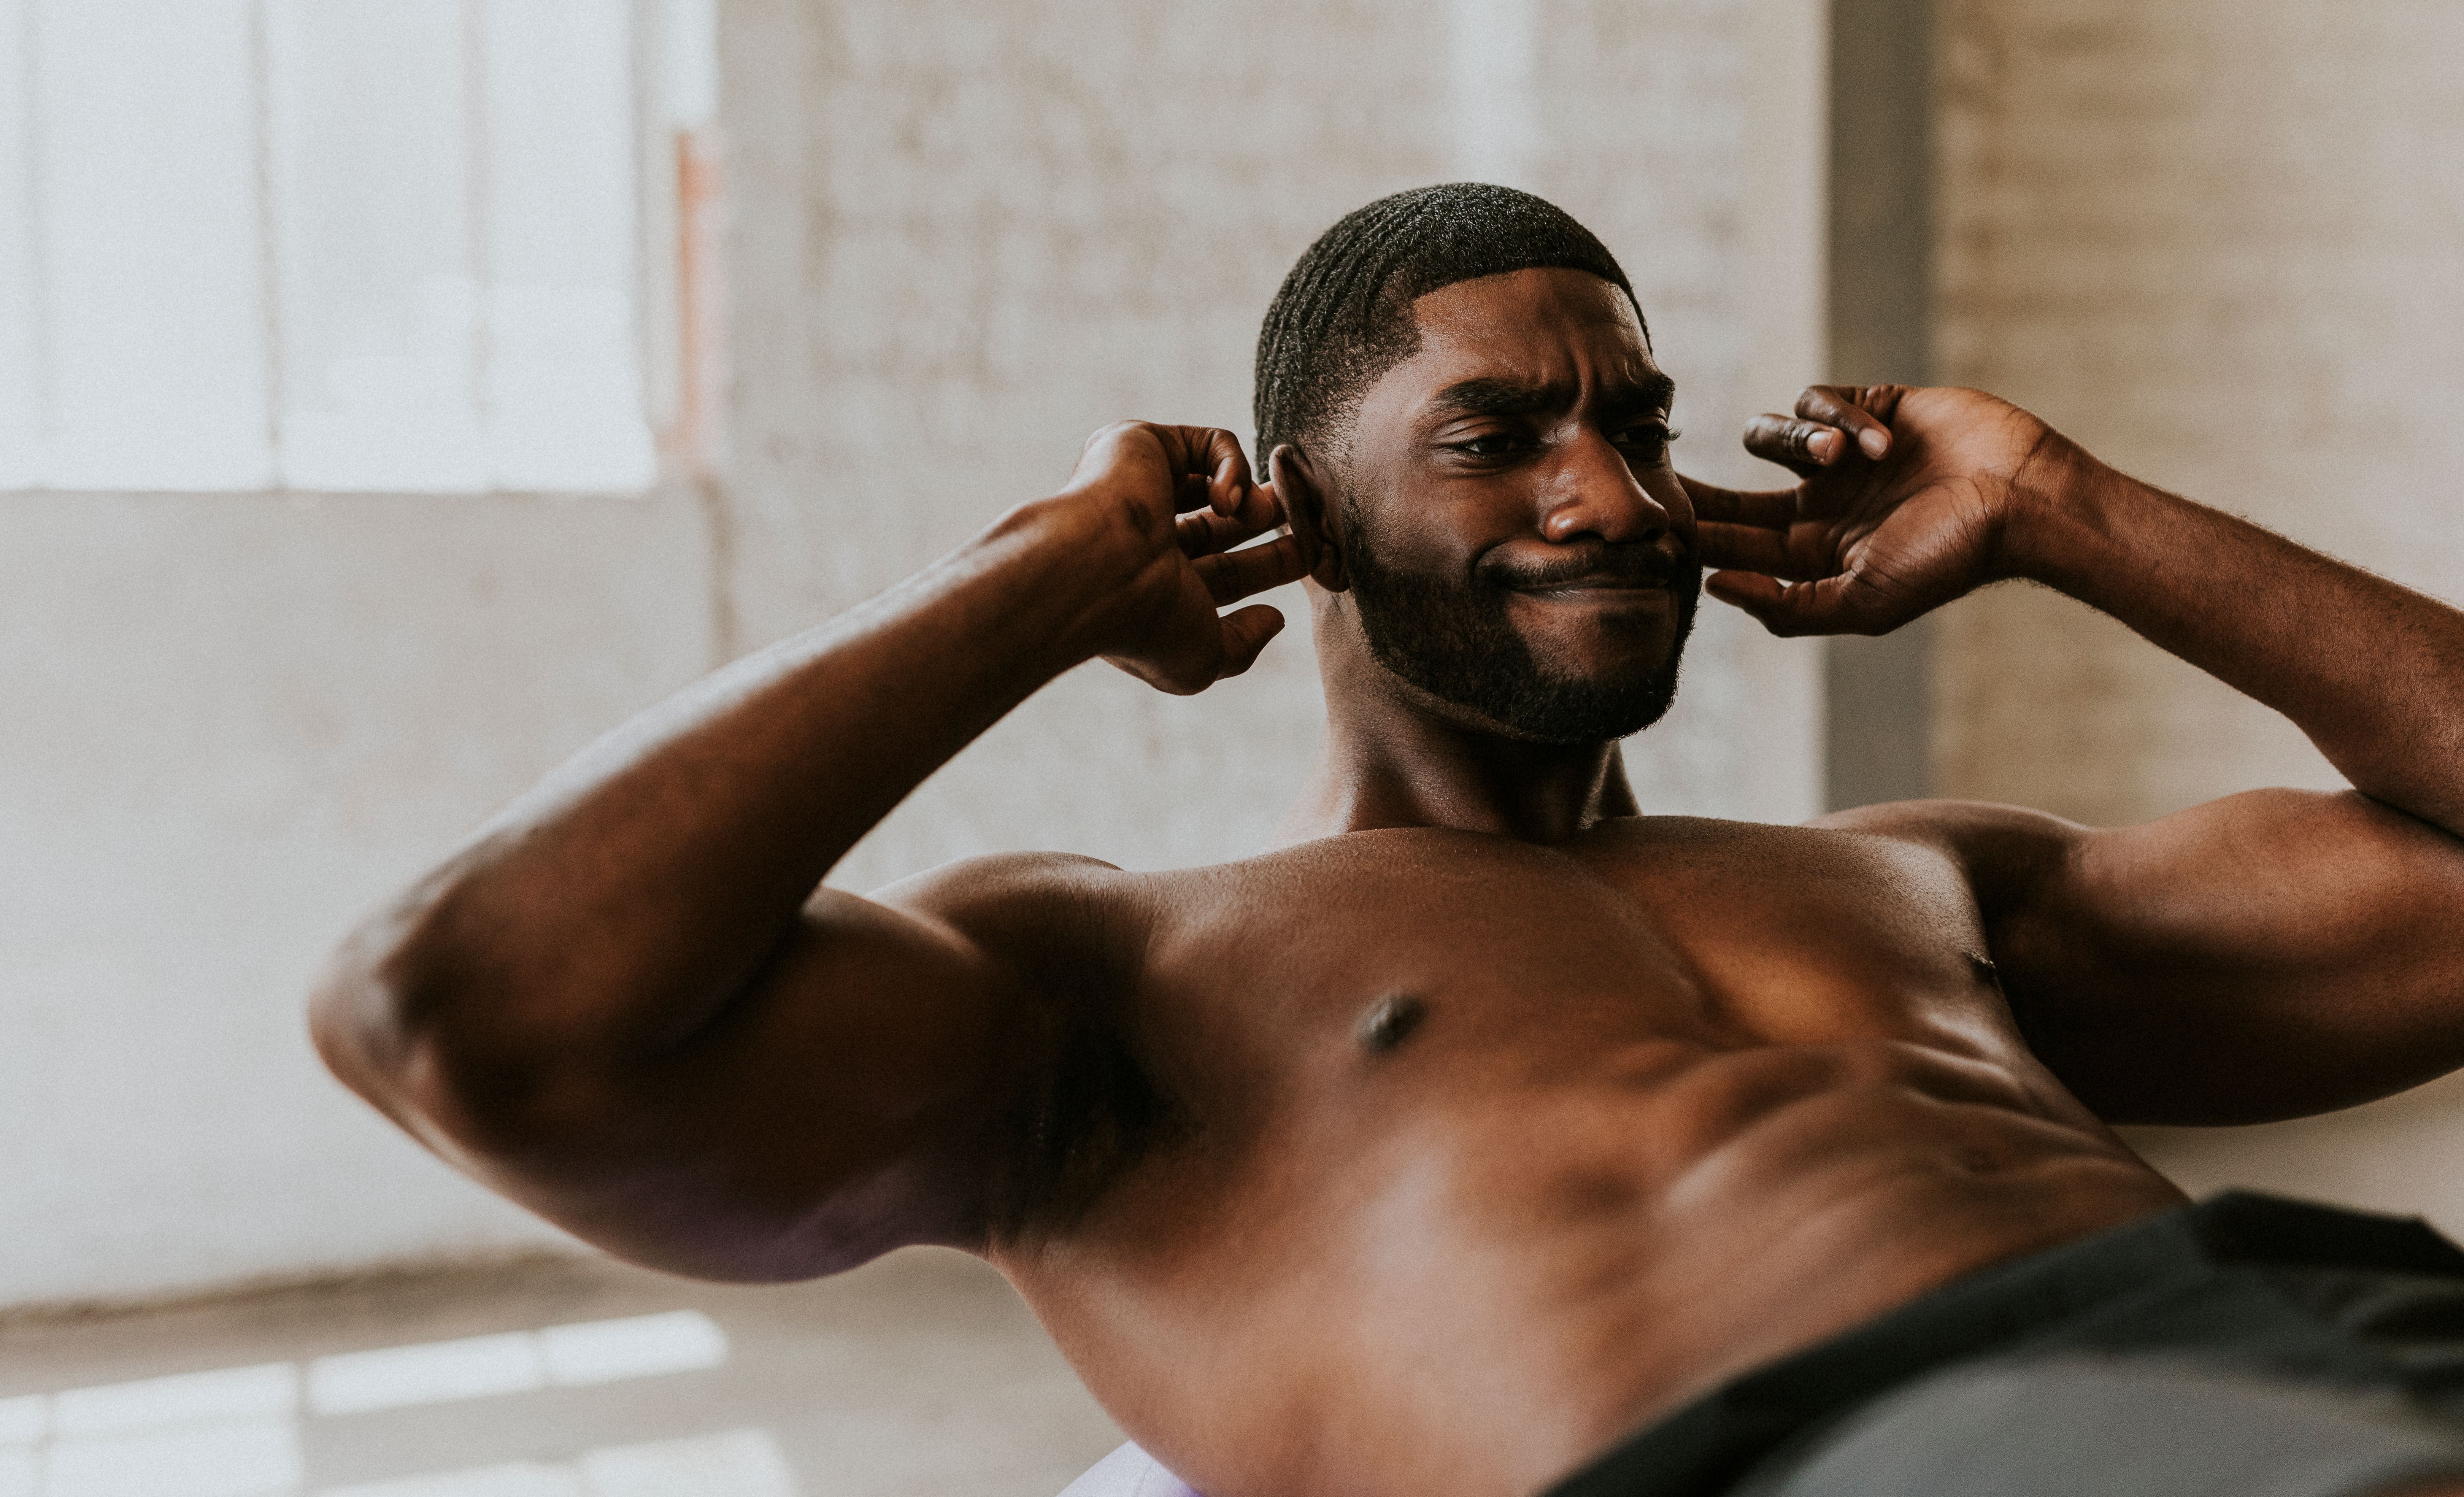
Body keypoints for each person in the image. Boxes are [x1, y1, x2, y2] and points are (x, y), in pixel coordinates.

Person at [313, 184, 2464, 1497]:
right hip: (1888, 1456)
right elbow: (463, 1015)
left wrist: (2064, 509)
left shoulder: (1926, 881)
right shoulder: (1106, 981)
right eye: (1496, 435)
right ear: (1301, 510)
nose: (1615, 498)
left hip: (2341, 1343)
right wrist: (1037, 587)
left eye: (1633, 419)